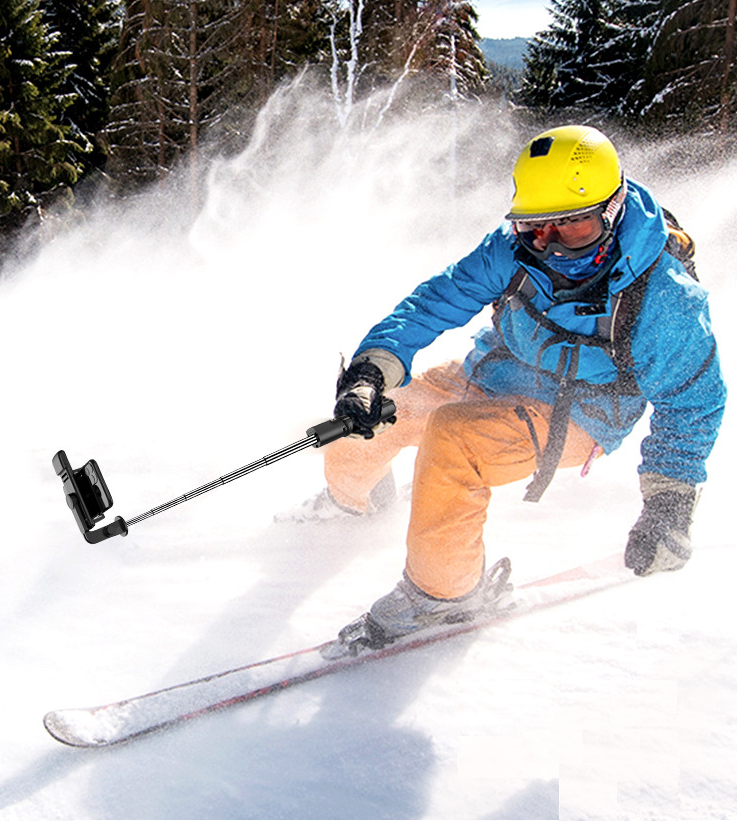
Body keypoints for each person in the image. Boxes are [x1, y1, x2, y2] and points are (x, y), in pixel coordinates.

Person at [284, 124, 726, 648]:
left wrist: (669, 505)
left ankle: (446, 594)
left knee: (453, 439)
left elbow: (693, 401)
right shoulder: (512, 249)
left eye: (574, 226)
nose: (551, 246)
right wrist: (370, 372)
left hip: (581, 412)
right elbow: (434, 303)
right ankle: (353, 500)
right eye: (536, 228)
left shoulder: (662, 296)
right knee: (384, 411)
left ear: (612, 211)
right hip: (495, 370)